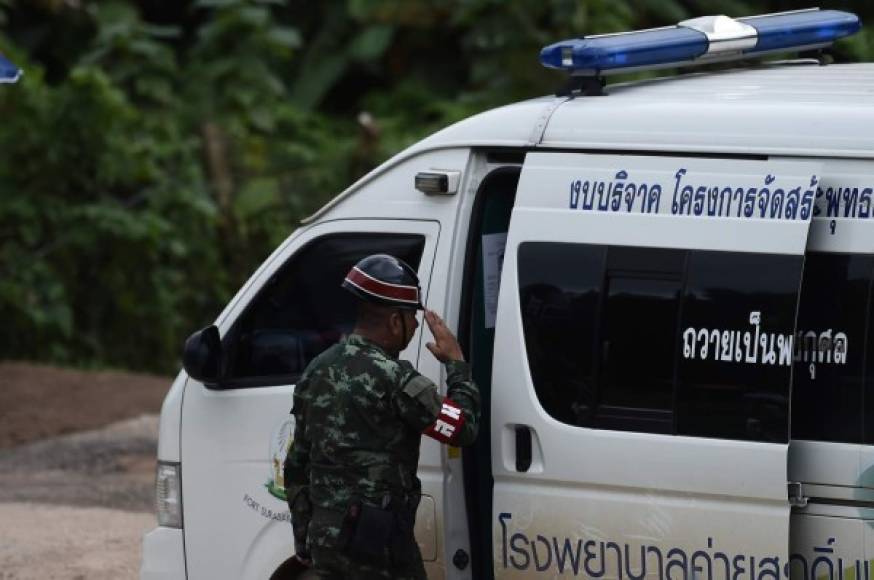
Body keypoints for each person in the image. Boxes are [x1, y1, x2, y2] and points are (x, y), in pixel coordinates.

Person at [283, 254, 481, 580]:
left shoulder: (317, 368)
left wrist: (305, 536)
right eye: (411, 319)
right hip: (378, 545)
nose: (416, 326)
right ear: (393, 321)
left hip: (325, 540)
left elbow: (296, 464)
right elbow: (462, 428)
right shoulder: (395, 378)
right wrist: (457, 364)